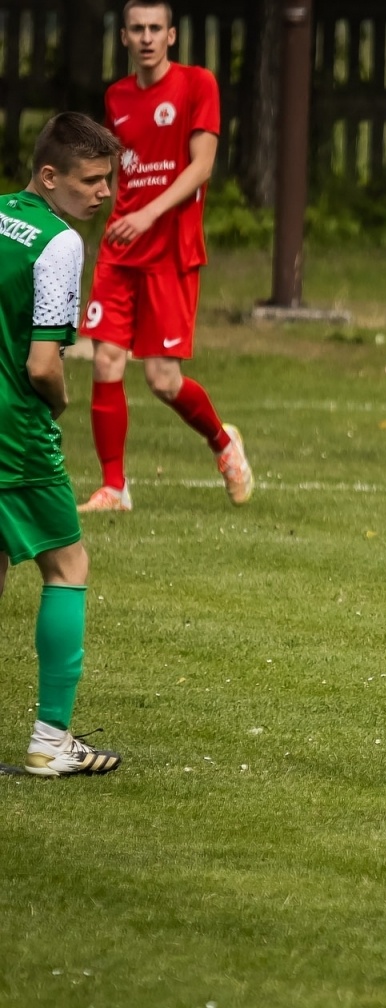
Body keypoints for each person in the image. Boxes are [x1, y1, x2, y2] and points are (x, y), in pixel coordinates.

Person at [76, 0, 252, 513]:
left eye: (156, 28)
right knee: (106, 359)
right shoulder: (116, 97)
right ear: (125, 38)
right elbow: (122, 168)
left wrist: (148, 214)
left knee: (162, 380)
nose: (147, 37)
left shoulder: (198, 84)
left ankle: (223, 443)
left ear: (171, 35)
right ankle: (114, 488)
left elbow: (202, 167)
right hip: (121, 249)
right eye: (138, 29)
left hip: (171, 251)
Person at [2, 114, 124, 776]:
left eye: (108, 179)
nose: (104, 192)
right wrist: (60, 402)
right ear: (49, 176)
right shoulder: (59, 243)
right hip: (15, 433)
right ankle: (51, 742)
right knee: (68, 566)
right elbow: (44, 364)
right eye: (92, 180)